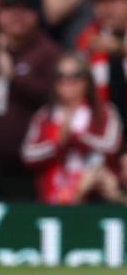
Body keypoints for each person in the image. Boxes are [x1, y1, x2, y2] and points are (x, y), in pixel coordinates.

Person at [0, 0, 62, 200]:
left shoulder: (49, 53)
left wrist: (14, 76)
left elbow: (53, 96)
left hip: (30, 168)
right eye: (9, 10)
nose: (16, 16)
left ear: (36, 15)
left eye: (24, 10)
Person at [22, 53, 123, 204]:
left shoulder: (104, 112)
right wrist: (58, 144)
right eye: (60, 76)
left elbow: (111, 146)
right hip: (53, 193)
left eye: (75, 75)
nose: (67, 81)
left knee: (99, 177)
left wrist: (76, 137)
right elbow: (29, 154)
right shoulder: (45, 115)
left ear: (87, 81)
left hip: (97, 193)